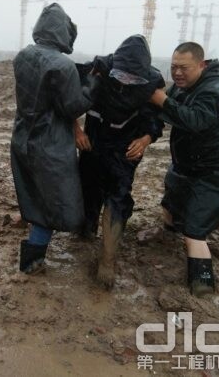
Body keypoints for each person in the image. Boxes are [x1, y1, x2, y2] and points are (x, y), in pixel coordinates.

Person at [11, 3, 100, 274]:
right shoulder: (62, 65)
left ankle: (32, 258)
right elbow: (73, 106)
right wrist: (92, 84)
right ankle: (32, 261)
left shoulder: (22, 56)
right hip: (51, 144)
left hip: (23, 136)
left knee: (35, 196)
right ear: (64, 33)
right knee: (56, 201)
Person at [74, 34, 165, 289]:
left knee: (118, 197)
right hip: (92, 142)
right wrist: (76, 130)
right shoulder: (98, 71)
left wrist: (146, 139)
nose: (125, 82)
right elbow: (67, 102)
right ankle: (86, 229)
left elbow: (157, 119)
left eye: (132, 78)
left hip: (125, 149)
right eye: (122, 75)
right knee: (88, 190)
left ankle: (108, 258)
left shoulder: (151, 84)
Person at [149, 42, 219, 296]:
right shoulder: (182, 87)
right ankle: (167, 235)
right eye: (174, 67)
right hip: (186, 163)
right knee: (171, 202)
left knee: (195, 228)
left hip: (214, 169)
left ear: (201, 65)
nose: (177, 73)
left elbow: (195, 121)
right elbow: (164, 111)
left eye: (184, 68)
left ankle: (202, 279)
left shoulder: (214, 90)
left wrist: (162, 100)